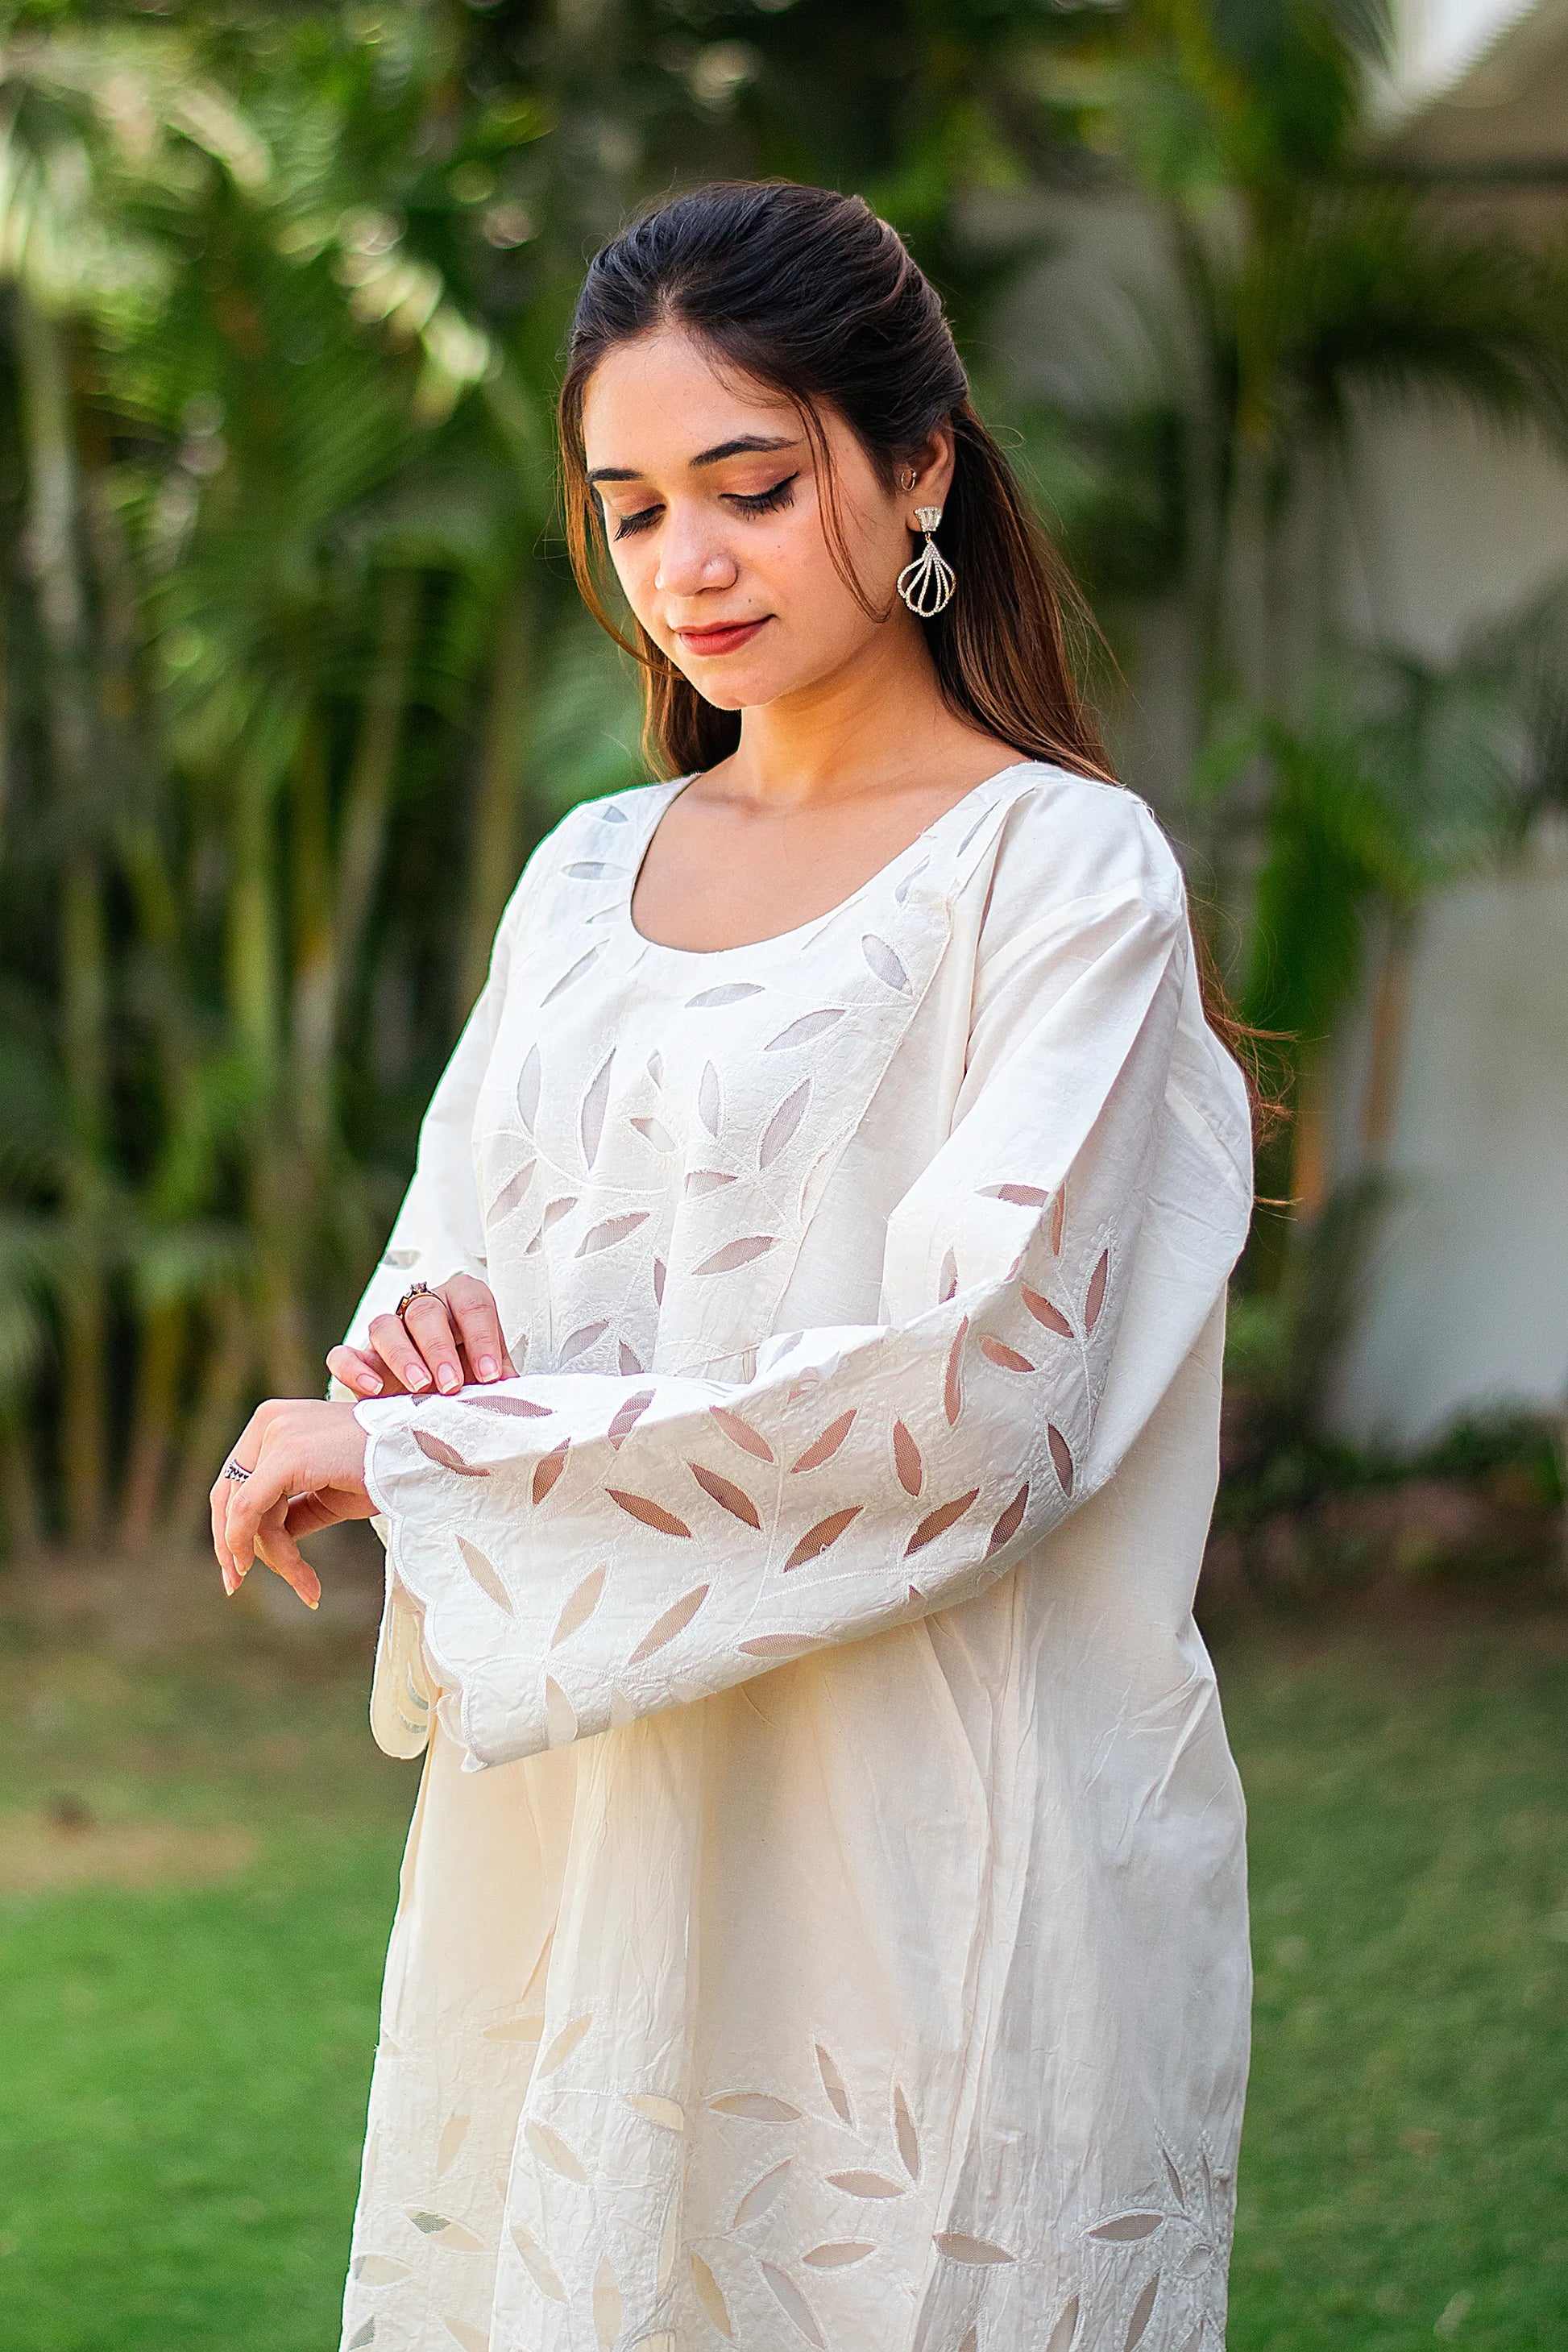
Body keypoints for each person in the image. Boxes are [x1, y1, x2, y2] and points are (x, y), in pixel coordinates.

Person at [212, 179, 1259, 2352]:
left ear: (916, 464)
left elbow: (974, 1400)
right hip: (598, 1826)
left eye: (750, 489)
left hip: (942, 1826)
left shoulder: (1055, 874)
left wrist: (440, 1454)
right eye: (628, 508)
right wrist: (406, 1370)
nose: (684, 564)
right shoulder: (585, 878)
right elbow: (441, 1300)